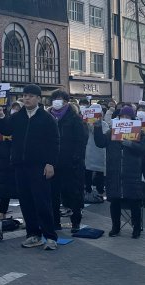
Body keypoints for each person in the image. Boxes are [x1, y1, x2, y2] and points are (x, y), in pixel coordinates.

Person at [0, 84, 60, 251]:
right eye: (25, 96)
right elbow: (5, 129)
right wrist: (1, 115)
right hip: (20, 165)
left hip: (39, 166)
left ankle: (50, 236)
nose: (26, 99)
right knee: (26, 202)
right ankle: (33, 235)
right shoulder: (18, 117)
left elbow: (54, 143)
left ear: (39, 99)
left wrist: (50, 163)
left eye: (30, 96)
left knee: (43, 202)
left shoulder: (47, 118)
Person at [93, 106, 145, 238]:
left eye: (127, 117)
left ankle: (136, 228)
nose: (124, 119)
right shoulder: (111, 132)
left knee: (134, 202)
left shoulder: (138, 132)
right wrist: (97, 127)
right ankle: (115, 227)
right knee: (115, 202)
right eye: (122, 117)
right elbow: (100, 143)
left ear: (133, 118)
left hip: (132, 173)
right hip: (114, 172)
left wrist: (131, 144)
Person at [48, 90, 87, 233]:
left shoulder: (74, 118)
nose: (58, 102)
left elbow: (81, 140)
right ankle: (55, 221)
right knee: (53, 193)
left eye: (61, 100)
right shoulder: (48, 117)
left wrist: (76, 157)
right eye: (55, 99)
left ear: (66, 102)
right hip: (52, 162)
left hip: (71, 163)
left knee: (73, 193)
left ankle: (75, 221)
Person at [0, 102, 21, 219]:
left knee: (21, 189)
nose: (15, 111)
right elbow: (2, 129)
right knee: (5, 187)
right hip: (5, 159)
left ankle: (26, 215)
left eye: (18, 109)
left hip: (18, 160)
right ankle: (2, 212)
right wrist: (0, 115)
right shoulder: (7, 122)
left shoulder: (24, 122)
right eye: (13, 109)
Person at [84, 99, 107, 203]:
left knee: (99, 173)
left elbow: (104, 136)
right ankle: (88, 191)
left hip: (100, 152)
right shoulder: (85, 124)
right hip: (89, 151)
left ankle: (100, 191)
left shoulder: (104, 124)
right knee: (88, 171)